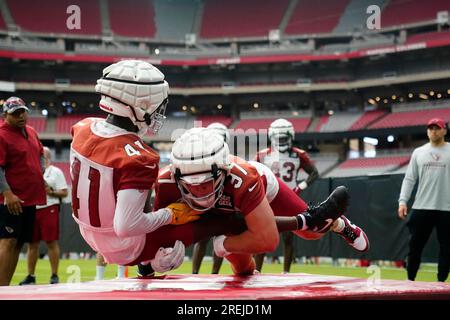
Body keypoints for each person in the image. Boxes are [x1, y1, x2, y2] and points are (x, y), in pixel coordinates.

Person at [154, 128, 369, 275]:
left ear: (223, 170)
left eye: (206, 180)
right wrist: (149, 264)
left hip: (263, 189)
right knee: (243, 270)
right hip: (227, 212)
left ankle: (339, 224)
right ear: (176, 174)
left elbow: (266, 238)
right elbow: (154, 232)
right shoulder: (165, 182)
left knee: (311, 232)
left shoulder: (243, 179)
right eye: (190, 182)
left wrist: (222, 242)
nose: (199, 189)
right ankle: (309, 218)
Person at [70, 59, 202, 274]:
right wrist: (170, 215)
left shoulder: (82, 127)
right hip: (125, 247)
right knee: (212, 222)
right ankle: (151, 260)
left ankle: (148, 264)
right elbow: (127, 226)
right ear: (141, 104)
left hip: (88, 232)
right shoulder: (140, 157)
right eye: (158, 106)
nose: (159, 112)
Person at [254, 118, 319, 273]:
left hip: (288, 198)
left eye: (284, 138)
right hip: (268, 198)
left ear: (291, 136)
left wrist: (299, 187)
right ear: (272, 137)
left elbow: (314, 173)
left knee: (289, 237)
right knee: (263, 234)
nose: (282, 141)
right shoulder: (262, 155)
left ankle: (286, 272)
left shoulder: (298, 155)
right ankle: (257, 270)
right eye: (279, 138)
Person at [0, 97, 46, 286]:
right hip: (11, 199)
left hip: (30, 198)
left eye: (22, 111)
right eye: (15, 113)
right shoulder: (2, 135)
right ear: (5, 115)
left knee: (18, 243)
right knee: (8, 241)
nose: (20, 116)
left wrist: (40, 172)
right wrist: (7, 193)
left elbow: (41, 153)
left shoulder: (32, 132)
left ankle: (6, 289)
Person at [398, 118, 450, 282]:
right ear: (427, 131)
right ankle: (410, 281)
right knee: (414, 247)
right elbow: (409, 179)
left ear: (444, 131)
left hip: (447, 208)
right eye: (430, 128)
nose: (433, 131)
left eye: (437, 128)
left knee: (447, 249)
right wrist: (402, 201)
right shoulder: (419, 152)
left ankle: (441, 284)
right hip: (422, 207)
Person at [19, 146, 68, 285]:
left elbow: (64, 192)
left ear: (46, 156)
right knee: (32, 243)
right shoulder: (31, 170)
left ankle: (54, 275)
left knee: (51, 242)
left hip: (49, 207)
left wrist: (50, 192)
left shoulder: (56, 172)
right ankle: (31, 275)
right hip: (33, 207)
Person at [191, 122, 229, 274]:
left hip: (218, 200)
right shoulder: (200, 158)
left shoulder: (226, 159)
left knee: (218, 240)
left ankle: (213, 275)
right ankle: (196, 274)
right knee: (203, 239)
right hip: (206, 200)